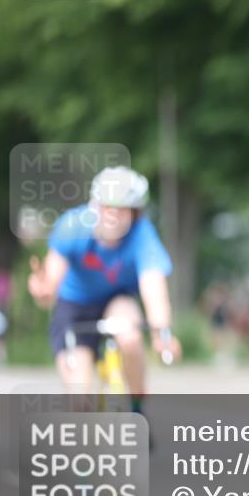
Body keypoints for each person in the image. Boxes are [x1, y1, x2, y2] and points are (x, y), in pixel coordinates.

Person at [27, 165, 182, 405]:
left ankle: (138, 406)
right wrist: (43, 291)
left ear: (135, 213)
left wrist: (162, 333)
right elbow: (50, 283)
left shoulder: (143, 235)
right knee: (80, 394)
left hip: (116, 298)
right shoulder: (72, 226)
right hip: (74, 304)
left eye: (122, 210)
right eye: (107, 208)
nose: (113, 216)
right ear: (95, 207)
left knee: (130, 338)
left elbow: (154, 288)